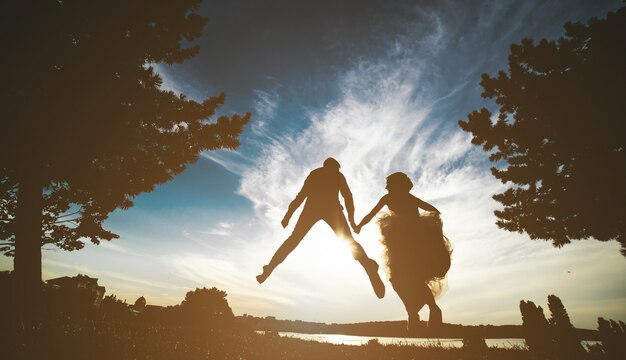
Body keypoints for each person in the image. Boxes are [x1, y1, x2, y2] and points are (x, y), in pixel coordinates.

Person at [256, 157, 385, 299]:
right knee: (348, 241)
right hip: (328, 209)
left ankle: (268, 269)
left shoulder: (317, 173)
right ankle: (368, 265)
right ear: (332, 167)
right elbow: (347, 196)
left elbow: (302, 195)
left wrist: (288, 215)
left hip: (314, 209)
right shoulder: (335, 175)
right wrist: (351, 219)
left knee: (293, 240)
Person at [354, 172, 452, 331]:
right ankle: (414, 312)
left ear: (397, 185)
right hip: (399, 242)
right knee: (396, 280)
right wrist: (358, 225)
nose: (386, 187)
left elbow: (432, 209)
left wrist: (431, 224)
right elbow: (371, 214)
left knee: (413, 278)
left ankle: (428, 310)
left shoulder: (409, 197)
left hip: (413, 241)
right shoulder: (387, 198)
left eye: (389, 184)